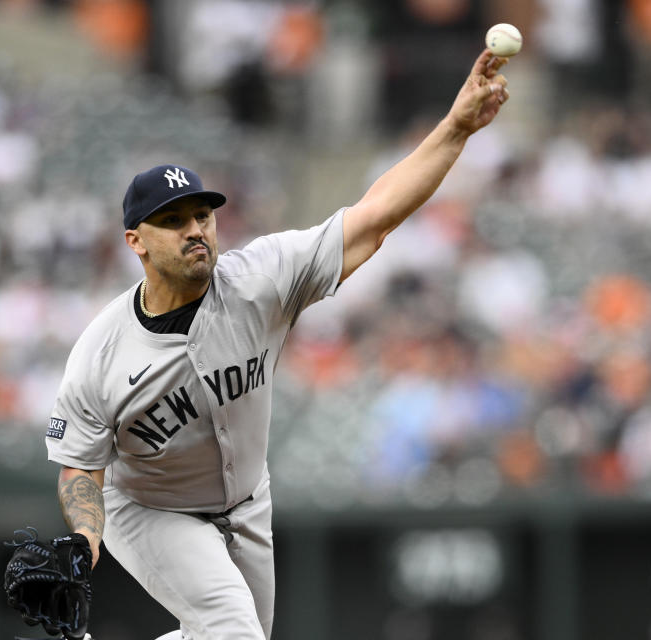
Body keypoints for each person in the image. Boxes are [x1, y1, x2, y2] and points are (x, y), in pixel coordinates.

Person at [45, 48, 511, 640]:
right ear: (136, 241)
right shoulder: (101, 353)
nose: (195, 229)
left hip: (247, 501)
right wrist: (83, 544)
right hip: (153, 511)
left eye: (202, 214)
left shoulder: (259, 279)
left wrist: (456, 127)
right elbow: (78, 470)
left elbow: (374, 216)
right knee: (231, 630)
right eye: (173, 221)